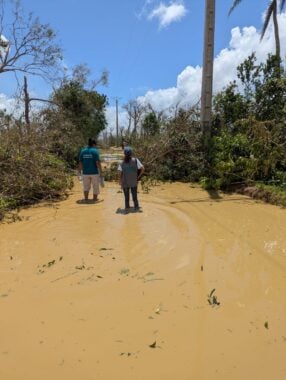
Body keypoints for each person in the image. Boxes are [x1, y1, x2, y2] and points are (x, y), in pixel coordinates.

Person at [118, 146, 144, 212]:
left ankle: (127, 208)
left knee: (126, 198)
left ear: (124, 154)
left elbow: (120, 173)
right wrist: (138, 177)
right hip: (134, 181)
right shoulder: (135, 160)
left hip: (125, 182)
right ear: (131, 153)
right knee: (135, 197)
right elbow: (142, 169)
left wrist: (120, 181)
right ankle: (136, 208)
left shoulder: (121, 163)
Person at [78, 138, 103, 202]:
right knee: (95, 187)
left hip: (85, 172)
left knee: (86, 187)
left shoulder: (83, 151)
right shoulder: (95, 151)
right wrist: (101, 172)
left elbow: (80, 163)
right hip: (94, 172)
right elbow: (97, 163)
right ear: (94, 144)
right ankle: (94, 200)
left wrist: (79, 172)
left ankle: (86, 199)